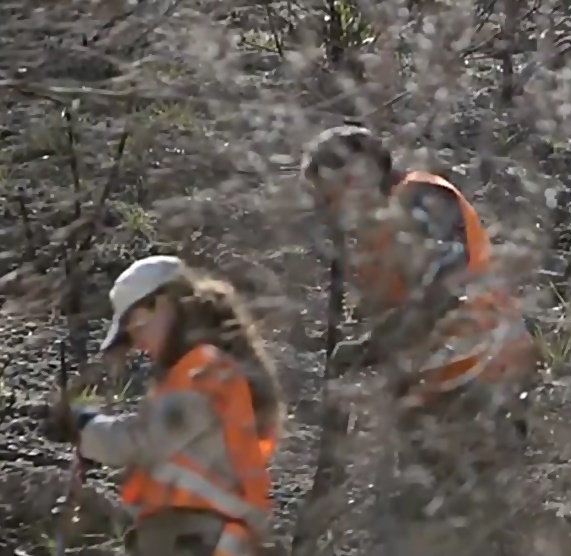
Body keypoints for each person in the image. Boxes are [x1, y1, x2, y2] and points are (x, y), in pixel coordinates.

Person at [301, 125, 537, 552]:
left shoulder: (422, 197)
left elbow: (440, 291)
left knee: (469, 525)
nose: (331, 209)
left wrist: (366, 349)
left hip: (481, 376)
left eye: (332, 193)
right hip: (437, 388)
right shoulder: (380, 231)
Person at [42, 255, 284, 556]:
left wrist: (85, 428)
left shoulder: (206, 370)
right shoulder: (196, 372)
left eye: (137, 324)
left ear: (165, 304)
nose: (138, 343)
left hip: (199, 541)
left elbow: (146, 440)